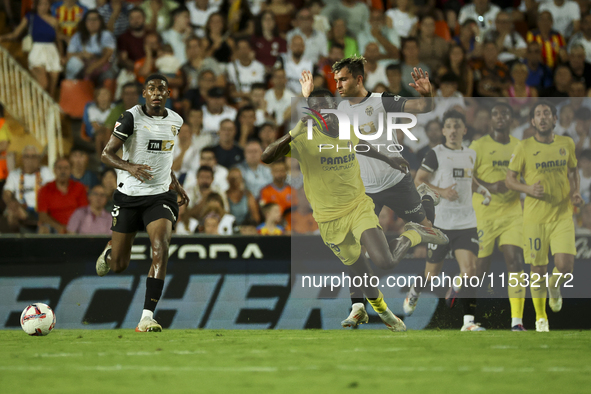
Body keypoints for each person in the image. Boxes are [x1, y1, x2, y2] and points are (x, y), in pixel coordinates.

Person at [299, 56, 449, 327]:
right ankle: (357, 306)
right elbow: (316, 120)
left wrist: (428, 95)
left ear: (359, 78)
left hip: (395, 181)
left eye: (343, 79)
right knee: (353, 250)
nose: (339, 85)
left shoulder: (382, 101)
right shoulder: (339, 109)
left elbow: (422, 106)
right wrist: (308, 96)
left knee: (429, 230)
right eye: (336, 81)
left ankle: (425, 198)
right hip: (362, 190)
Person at [262, 89, 416, 332]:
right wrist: (294, 132)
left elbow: (362, 146)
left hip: (358, 206)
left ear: (334, 105)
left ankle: (413, 234)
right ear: (311, 112)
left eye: (326, 106)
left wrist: (389, 159)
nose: (323, 112)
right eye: (317, 109)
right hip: (328, 219)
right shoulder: (303, 139)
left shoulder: (346, 128)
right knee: (362, 272)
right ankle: (382, 311)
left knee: (384, 262)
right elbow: (266, 156)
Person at [95, 74, 189, 333]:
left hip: (160, 196)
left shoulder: (175, 120)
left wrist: (175, 183)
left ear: (168, 94)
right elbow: (106, 154)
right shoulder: (130, 117)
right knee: (119, 265)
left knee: (161, 247)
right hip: (128, 197)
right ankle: (111, 249)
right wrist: (129, 167)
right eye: (151, 88)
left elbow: (163, 157)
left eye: (161, 88)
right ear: (144, 94)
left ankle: (147, 317)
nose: (157, 92)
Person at [407, 109, 492, 331]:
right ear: (444, 131)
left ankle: (468, 323)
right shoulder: (435, 154)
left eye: (457, 126)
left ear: (464, 129)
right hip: (442, 224)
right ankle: (415, 292)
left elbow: (467, 179)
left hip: (466, 223)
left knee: (470, 271)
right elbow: (419, 181)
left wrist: (481, 189)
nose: (453, 130)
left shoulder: (471, 154)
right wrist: (442, 191)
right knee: (431, 275)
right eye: (449, 126)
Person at [506, 101, 582, 332]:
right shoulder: (523, 147)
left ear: (554, 119)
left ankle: (554, 286)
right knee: (537, 269)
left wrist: (576, 191)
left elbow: (572, 170)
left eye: (546, 113)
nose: (542, 117)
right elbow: (510, 179)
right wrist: (528, 189)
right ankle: (541, 318)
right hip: (534, 218)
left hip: (561, 214)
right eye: (538, 114)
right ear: (532, 121)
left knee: (565, 266)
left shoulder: (566, 143)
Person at [469, 103, 527, 331]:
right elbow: (467, 177)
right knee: (480, 268)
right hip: (484, 213)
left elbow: (528, 176)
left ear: (511, 119)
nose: (500, 117)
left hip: (512, 213)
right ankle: (469, 317)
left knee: (515, 260)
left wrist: (520, 185)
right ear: (490, 119)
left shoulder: (519, 146)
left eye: (505, 113)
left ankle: (517, 322)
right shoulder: (478, 146)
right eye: (495, 114)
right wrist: (490, 186)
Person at [0, 0, 62, 98]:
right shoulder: (30, 17)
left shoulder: (54, 21)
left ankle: (48, 109)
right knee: (43, 83)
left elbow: (58, 40)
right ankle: (36, 105)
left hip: (52, 51)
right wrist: (3, 37)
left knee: (52, 86)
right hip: (37, 50)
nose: (44, 7)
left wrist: (61, 55)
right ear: (36, 6)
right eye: (41, 4)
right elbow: (15, 34)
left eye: (46, 4)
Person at [2, 145, 54, 233]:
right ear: (22, 159)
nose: (30, 160)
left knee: (45, 228)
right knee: (11, 213)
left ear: (38, 159)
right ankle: (15, 242)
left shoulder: (46, 171)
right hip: (23, 209)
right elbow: (6, 193)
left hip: (43, 210)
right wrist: (12, 204)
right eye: (27, 156)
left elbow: (54, 191)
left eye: (34, 156)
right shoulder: (14, 174)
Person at [37, 157, 89, 234]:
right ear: (54, 170)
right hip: (54, 227)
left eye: (66, 168)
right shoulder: (45, 189)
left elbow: (84, 211)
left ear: (71, 171)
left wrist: (71, 227)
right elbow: (42, 215)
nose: (63, 171)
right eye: (59, 168)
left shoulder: (79, 187)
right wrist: (58, 227)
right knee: (43, 229)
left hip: (76, 227)